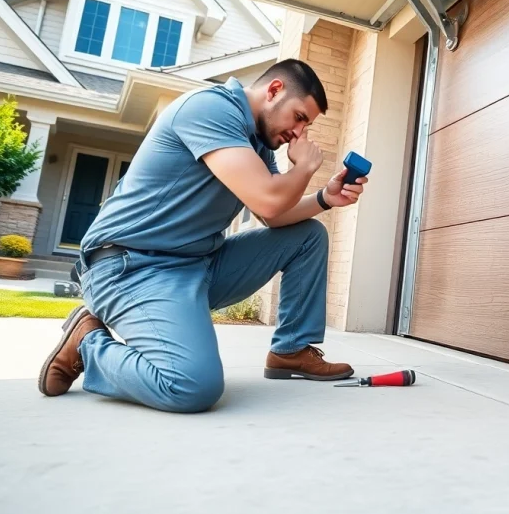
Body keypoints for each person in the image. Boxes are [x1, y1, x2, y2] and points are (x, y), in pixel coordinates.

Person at [37, 59, 367, 413]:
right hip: (130, 267)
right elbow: (269, 201)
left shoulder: (257, 144)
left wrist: (324, 199)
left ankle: (291, 350)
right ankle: (87, 341)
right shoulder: (211, 109)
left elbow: (277, 217)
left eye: (307, 125)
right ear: (274, 91)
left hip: (195, 266)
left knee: (307, 236)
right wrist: (304, 167)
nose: (299, 133)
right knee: (192, 386)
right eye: (299, 117)